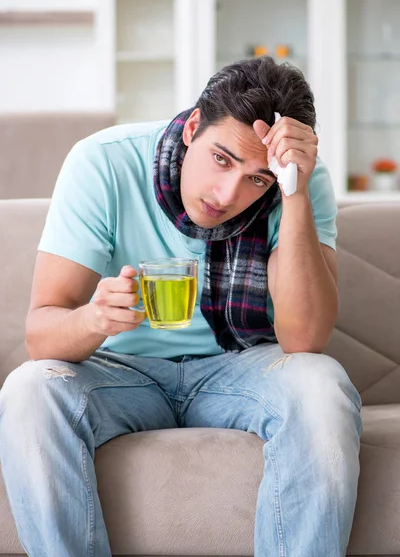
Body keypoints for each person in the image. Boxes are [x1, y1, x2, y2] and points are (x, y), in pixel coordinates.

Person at [0, 56, 362, 557]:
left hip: (243, 368)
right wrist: (94, 318)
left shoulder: (296, 180)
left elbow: (304, 340)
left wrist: (292, 192)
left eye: (256, 179)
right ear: (193, 127)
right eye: (222, 159)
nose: (228, 194)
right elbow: (42, 333)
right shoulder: (104, 162)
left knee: (322, 384)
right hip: (121, 371)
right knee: (29, 389)